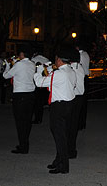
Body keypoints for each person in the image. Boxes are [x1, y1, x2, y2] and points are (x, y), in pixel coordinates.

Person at [34, 46, 77, 174]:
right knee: (63, 135)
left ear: (59, 60)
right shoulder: (71, 71)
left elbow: (39, 83)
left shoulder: (59, 73)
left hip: (59, 107)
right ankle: (58, 160)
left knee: (59, 137)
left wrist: (39, 69)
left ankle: (63, 165)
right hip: (69, 105)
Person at [3, 45, 36, 154]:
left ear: (22, 54)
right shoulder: (32, 64)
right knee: (27, 120)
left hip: (20, 94)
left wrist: (8, 65)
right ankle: (25, 143)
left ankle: (23, 146)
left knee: (20, 121)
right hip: (30, 94)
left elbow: (6, 76)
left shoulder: (19, 64)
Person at [68, 48, 85, 159]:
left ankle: (70, 149)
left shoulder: (71, 69)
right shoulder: (80, 67)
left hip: (73, 97)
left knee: (69, 125)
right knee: (73, 125)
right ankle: (71, 149)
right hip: (79, 97)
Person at [32, 50, 51, 124]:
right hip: (44, 82)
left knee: (36, 102)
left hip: (37, 81)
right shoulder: (46, 60)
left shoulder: (33, 60)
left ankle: (37, 118)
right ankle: (39, 117)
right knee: (40, 102)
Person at [76, 42, 90, 130]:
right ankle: (82, 123)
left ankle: (79, 123)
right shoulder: (86, 54)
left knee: (79, 101)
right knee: (83, 102)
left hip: (81, 78)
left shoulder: (79, 56)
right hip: (85, 78)